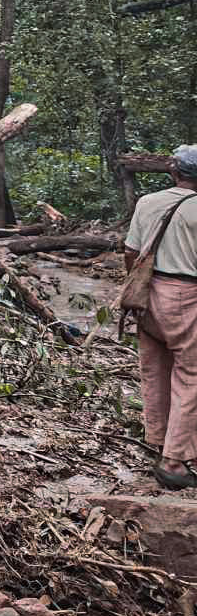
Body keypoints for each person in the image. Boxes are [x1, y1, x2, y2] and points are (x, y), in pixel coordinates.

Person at [124, 144, 197, 491]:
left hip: (147, 295)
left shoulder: (147, 202)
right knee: (191, 375)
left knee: (155, 370)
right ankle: (174, 461)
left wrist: (139, 289)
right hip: (187, 295)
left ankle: (158, 441)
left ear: (173, 171)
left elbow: (131, 252)